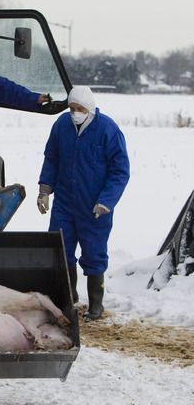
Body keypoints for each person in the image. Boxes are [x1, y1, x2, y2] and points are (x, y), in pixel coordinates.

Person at [37, 86, 130, 321]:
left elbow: (120, 171)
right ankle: (69, 299)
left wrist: (106, 201)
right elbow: (52, 158)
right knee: (60, 249)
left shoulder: (108, 129)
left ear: (89, 109)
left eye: (78, 109)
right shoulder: (61, 126)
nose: (74, 113)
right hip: (65, 203)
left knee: (94, 253)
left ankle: (96, 305)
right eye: (71, 108)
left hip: (95, 206)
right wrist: (45, 190)